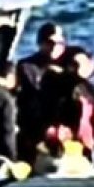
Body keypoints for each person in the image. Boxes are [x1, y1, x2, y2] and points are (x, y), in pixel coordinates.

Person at [39, 46, 94, 165]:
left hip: (86, 140)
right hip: (71, 141)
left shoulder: (87, 86)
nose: (79, 68)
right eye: (76, 64)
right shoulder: (61, 85)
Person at [15, 21, 66, 162]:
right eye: (50, 43)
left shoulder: (68, 65)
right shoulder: (27, 66)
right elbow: (34, 93)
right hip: (36, 125)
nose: (55, 47)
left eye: (59, 43)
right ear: (41, 43)